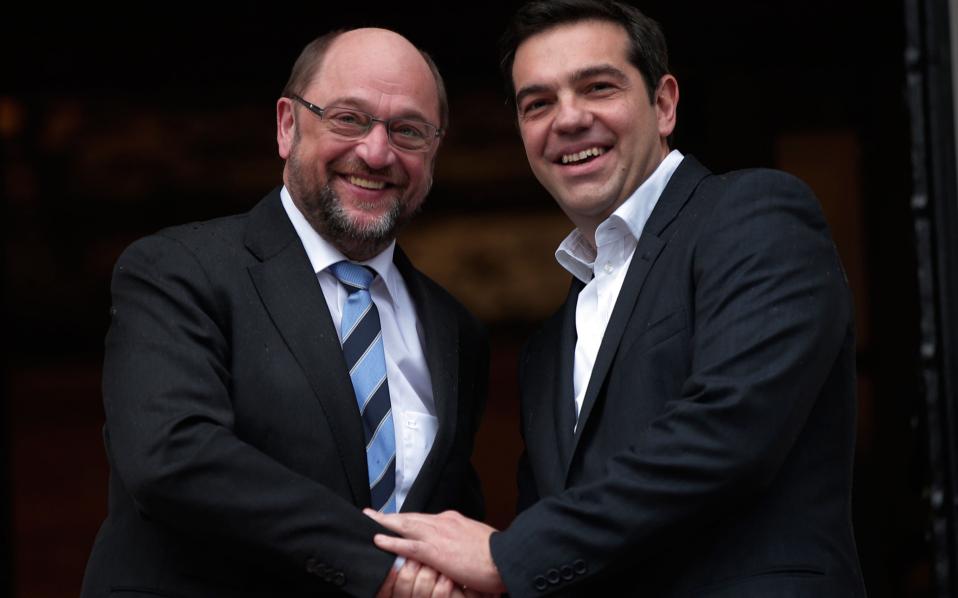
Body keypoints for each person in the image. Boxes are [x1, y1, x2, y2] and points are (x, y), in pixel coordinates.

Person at [367, 1, 868, 596]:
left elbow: (728, 431)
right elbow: (559, 545)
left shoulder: (752, 215)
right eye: (538, 104)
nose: (569, 119)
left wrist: (507, 556)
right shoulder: (547, 349)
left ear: (664, 104)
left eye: (598, 87)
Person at [80, 27, 489, 598]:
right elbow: (172, 457)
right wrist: (382, 569)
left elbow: (448, 520)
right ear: (287, 126)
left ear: (434, 150)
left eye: (408, 130)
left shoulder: (455, 330)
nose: (377, 152)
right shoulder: (177, 270)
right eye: (348, 119)